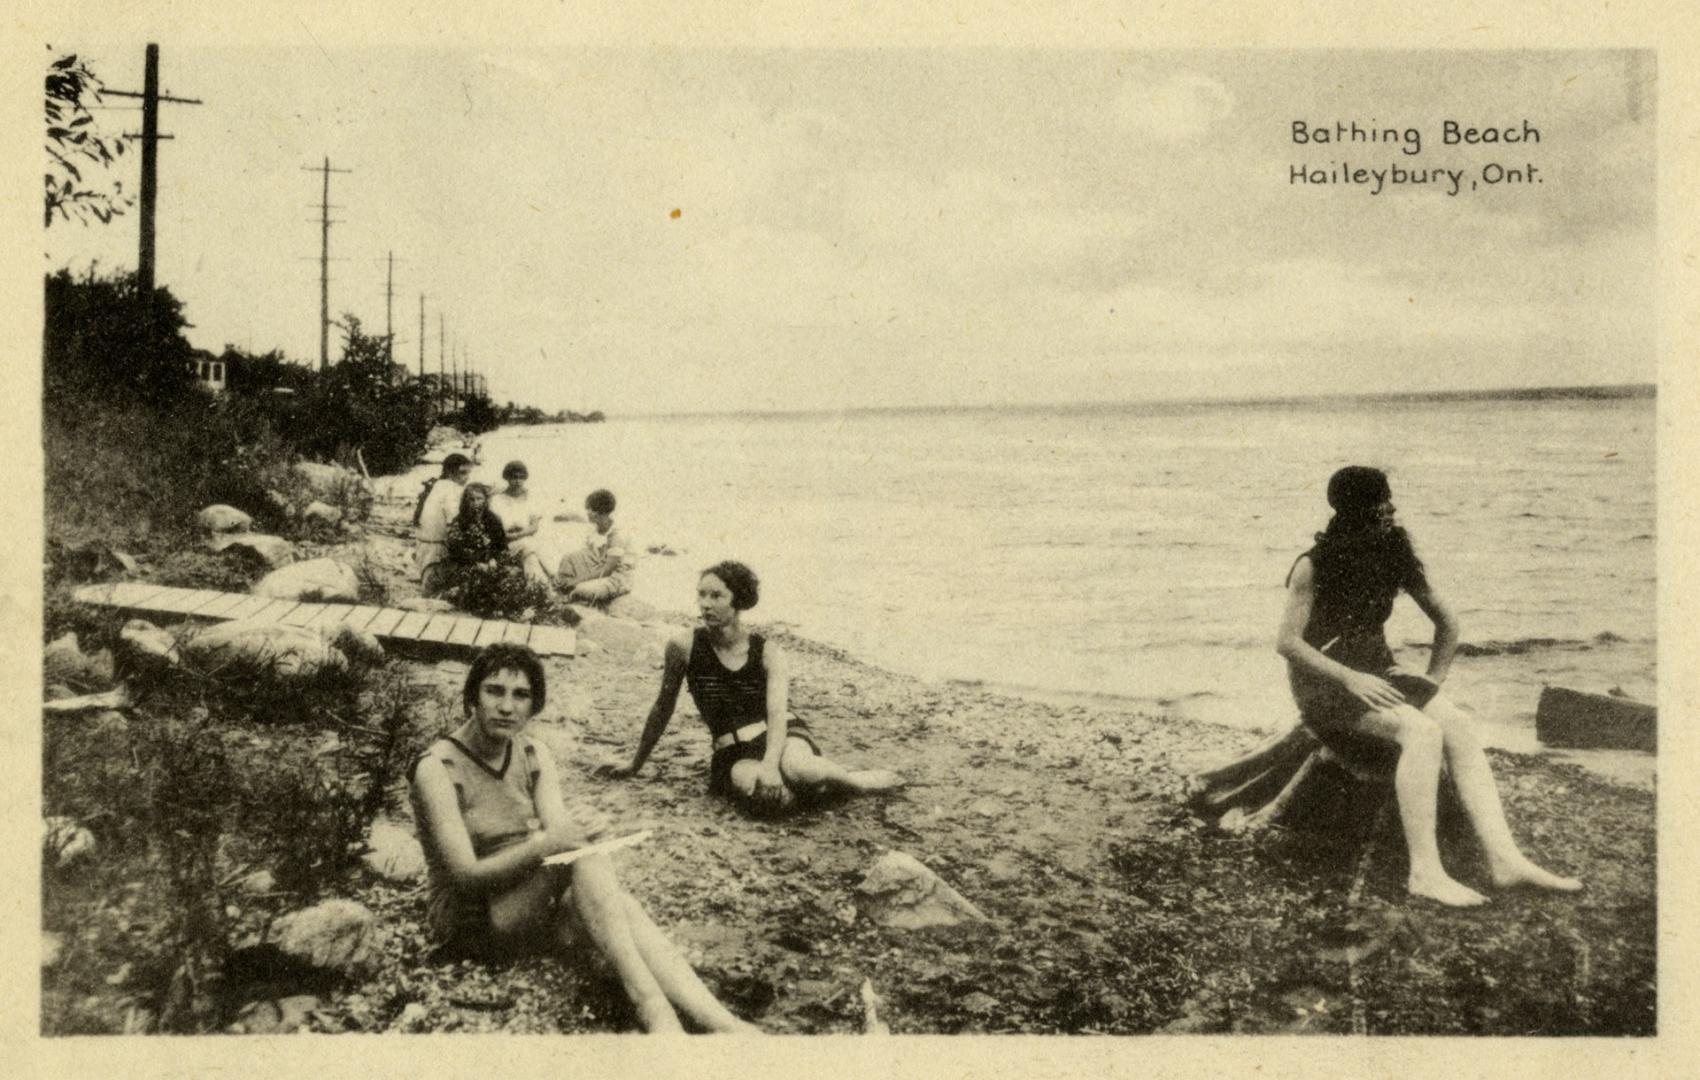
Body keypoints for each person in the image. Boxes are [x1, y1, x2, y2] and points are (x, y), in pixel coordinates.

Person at [408, 642, 759, 1033]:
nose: (507, 706)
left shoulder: (531, 752)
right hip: (471, 922)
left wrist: (577, 830)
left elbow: (561, 830)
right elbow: (465, 876)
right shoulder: (437, 767)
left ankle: (722, 1022)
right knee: (583, 856)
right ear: (472, 696)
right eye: (494, 691)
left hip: (526, 903)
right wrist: (553, 843)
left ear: (534, 705)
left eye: (521, 695)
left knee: (619, 905)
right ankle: (654, 1011)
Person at [1274, 465, 1582, 907]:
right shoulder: (1313, 564)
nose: (1391, 507)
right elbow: (1287, 643)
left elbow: (1448, 623)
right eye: (1383, 499)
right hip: (1324, 685)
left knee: (1456, 724)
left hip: (1378, 671)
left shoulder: (1394, 551)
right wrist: (1349, 676)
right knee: (1421, 732)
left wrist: (1433, 682)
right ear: (1360, 507)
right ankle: (1424, 872)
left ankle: (1505, 860)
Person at [604, 561, 903, 810]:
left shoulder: (768, 652)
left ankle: (854, 781)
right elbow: (662, 706)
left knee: (800, 769)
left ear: (738, 600)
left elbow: (776, 714)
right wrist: (635, 763)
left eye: (716, 596)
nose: (705, 604)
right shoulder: (683, 646)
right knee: (766, 798)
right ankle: (816, 786)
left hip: (780, 735)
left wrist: (772, 764)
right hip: (733, 752)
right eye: (701, 595)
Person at [556, 489, 637, 604]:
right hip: (598, 568)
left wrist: (576, 581)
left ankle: (571, 596)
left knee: (581, 590)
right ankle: (563, 589)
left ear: (603, 512)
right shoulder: (593, 529)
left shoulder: (617, 534)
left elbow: (608, 569)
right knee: (568, 558)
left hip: (616, 578)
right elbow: (587, 556)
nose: (588, 512)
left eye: (592, 510)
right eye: (588, 509)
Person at [415, 453, 473, 597]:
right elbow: (454, 522)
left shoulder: (437, 485)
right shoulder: (452, 490)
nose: (466, 477)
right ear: (449, 472)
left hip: (424, 546)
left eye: (468, 473)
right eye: (462, 473)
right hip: (438, 550)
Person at [489, 461, 550, 585]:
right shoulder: (497, 500)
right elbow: (496, 529)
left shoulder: (531, 498)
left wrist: (518, 534)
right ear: (507, 478)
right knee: (529, 548)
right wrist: (511, 535)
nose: (518, 481)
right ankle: (547, 581)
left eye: (521, 477)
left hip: (524, 538)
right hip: (506, 542)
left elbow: (534, 527)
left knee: (530, 551)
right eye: (514, 477)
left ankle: (538, 584)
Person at [444, 483, 510, 572]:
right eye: (472, 499)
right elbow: (455, 548)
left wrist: (494, 559)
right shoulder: (460, 520)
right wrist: (475, 563)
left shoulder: (493, 520)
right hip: (467, 565)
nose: (476, 503)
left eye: (479, 499)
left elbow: (501, 544)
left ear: (485, 500)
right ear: (466, 501)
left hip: (492, 564)